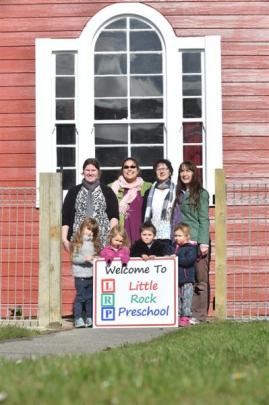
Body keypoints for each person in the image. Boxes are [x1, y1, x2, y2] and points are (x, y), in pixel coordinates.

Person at [171, 160, 210, 324]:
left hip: (196, 242)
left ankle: (199, 315)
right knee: (186, 280)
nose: (184, 174)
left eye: (188, 171)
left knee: (200, 280)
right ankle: (185, 312)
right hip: (182, 242)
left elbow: (204, 219)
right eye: (182, 171)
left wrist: (203, 242)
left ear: (194, 173)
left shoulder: (201, 193)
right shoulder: (180, 193)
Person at [62, 158, 119, 251]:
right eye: (87, 170)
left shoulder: (107, 191)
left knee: (101, 265)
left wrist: (112, 236)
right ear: (83, 172)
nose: (90, 173)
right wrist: (64, 240)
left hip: (103, 240)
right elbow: (65, 218)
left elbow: (114, 216)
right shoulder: (73, 192)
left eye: (93, 170)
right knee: (80, 265)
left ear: (98, 172)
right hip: (78, 240)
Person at [110, 157, 151, 245]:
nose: (129, 169)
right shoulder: (112, 187)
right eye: (126, 167)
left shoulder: (148, 187)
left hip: (141, 232)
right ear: (122, 170)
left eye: (133, 167)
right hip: (121, 234)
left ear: (138, 170)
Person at [70, 218, 101, 328]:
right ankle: (78, 318)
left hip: (91, 275)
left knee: (90, 298)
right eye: (88, 229)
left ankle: (89, 317)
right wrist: (85, 259)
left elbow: (95, 256)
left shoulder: (93, 243)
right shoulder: (77, 242)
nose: (90, 232)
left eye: (92, 230)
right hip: (80, 276)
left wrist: (96, 258)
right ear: (82, 228)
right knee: (80, 298)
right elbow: (74, 258)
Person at [143, 159, 176, 254]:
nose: (162, 171)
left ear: (170, 172)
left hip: (170, 235)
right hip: (152, 235)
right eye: (159, 169)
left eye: (165, 169)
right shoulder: (149, 192)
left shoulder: (176, 190)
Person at [173, 223, 198, 327]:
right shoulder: (174, 247)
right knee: (178, 298)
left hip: (187, 279)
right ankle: (177, 316)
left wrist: (176, 258)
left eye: (180, 235)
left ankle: (186, 317)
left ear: (187, 236)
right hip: (177, 279)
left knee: (186, 298)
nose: (177, 238)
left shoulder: (191, 248)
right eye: (175, 235)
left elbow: (189, 261)